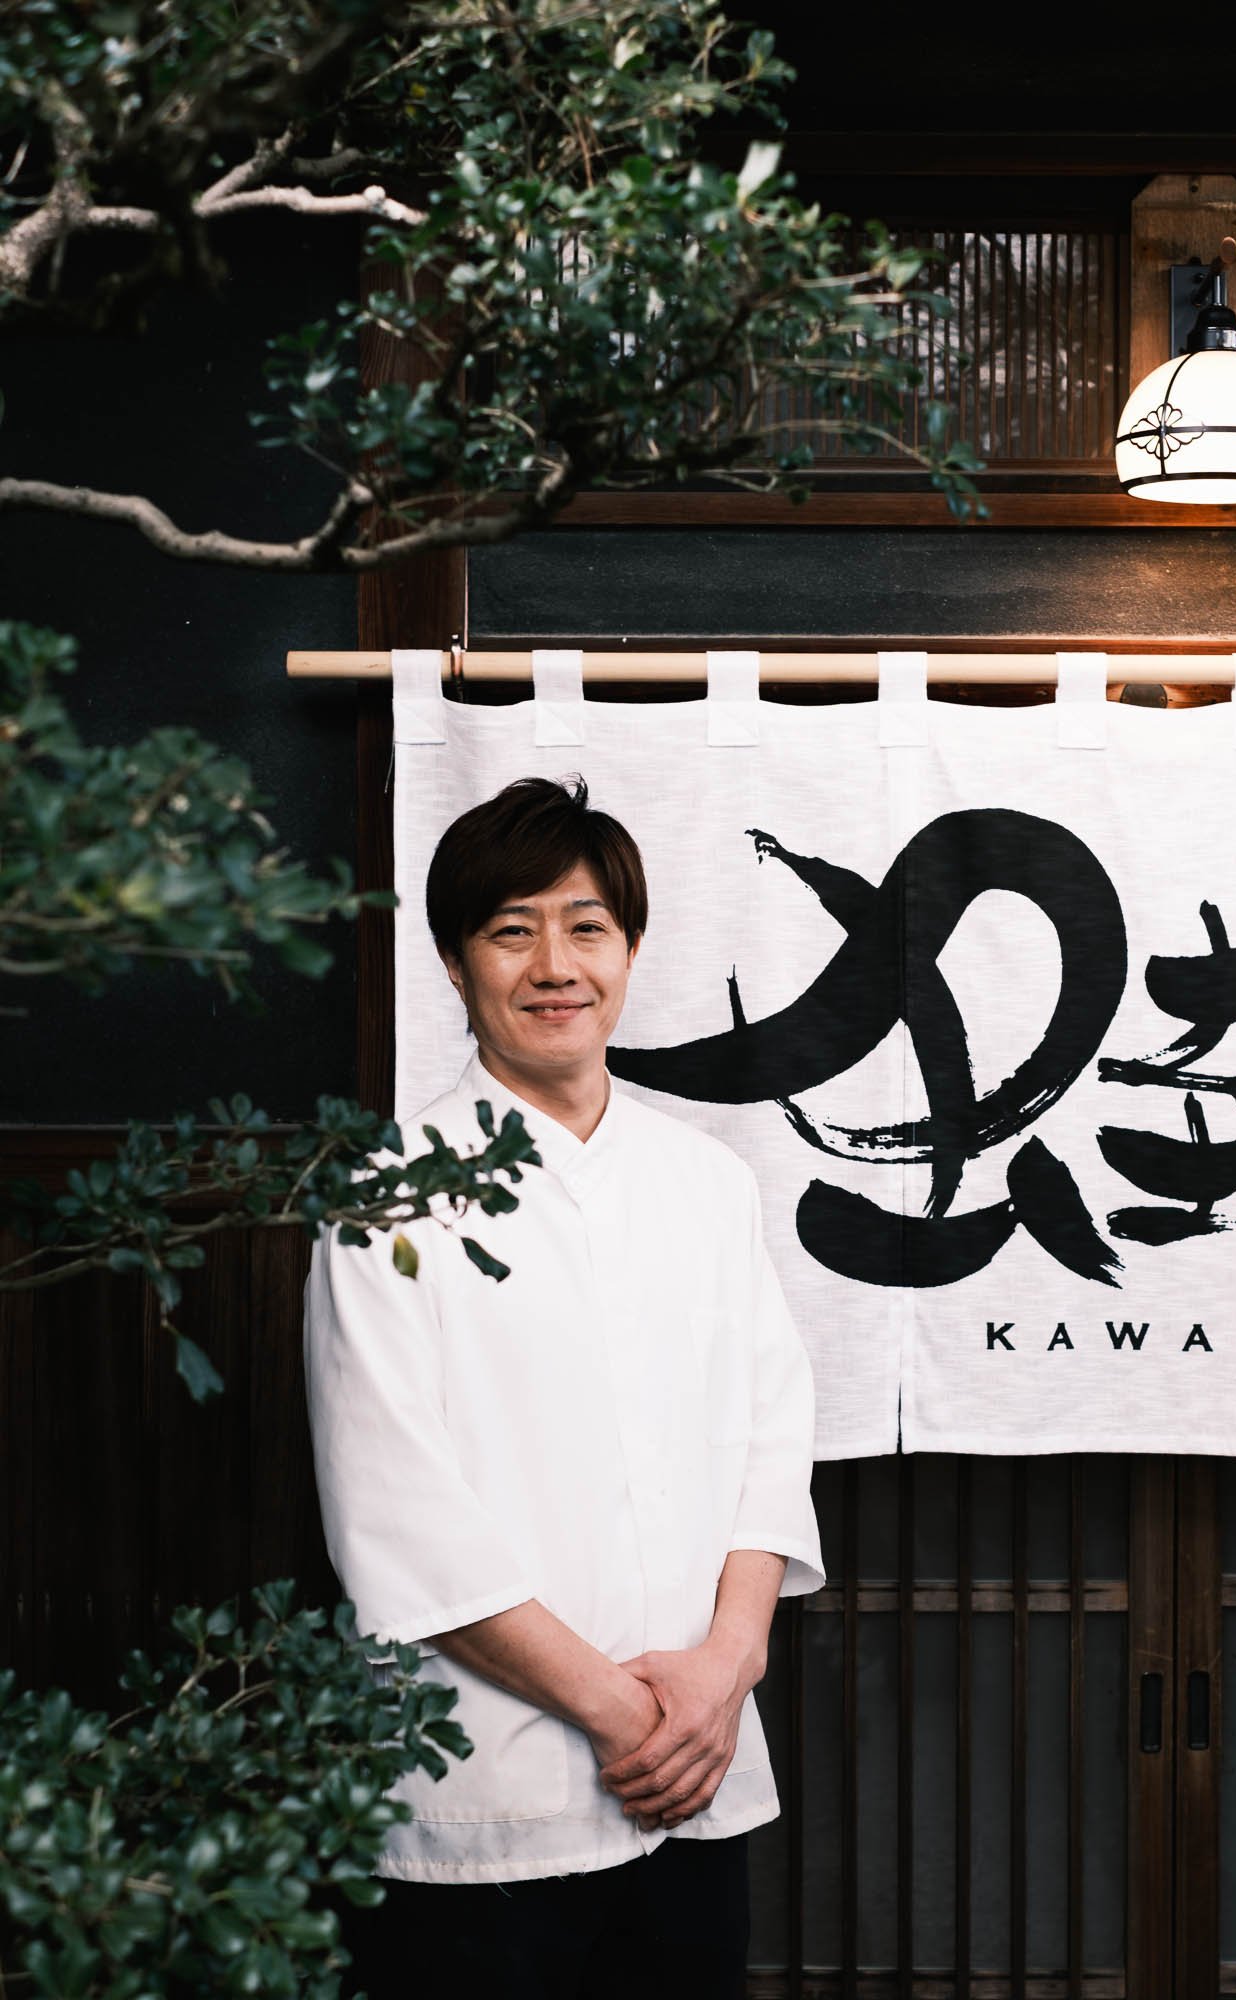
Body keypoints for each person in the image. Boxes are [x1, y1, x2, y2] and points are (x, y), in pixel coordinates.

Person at [304, 774, 824, 1999]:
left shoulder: (708, 1182)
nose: (555, 964)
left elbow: (771, 1438)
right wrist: (622, 1711)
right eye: (511, 929)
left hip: (696, 1777)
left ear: (630, 949)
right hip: (488, 1791)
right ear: (453, 961)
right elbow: (396, 1512)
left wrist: (728, 1665)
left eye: (587, 926)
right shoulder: (387, 1195)